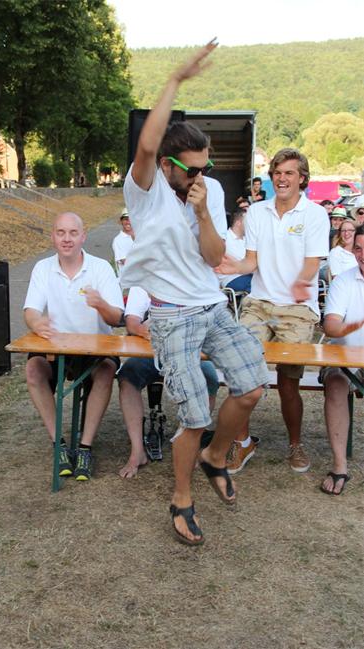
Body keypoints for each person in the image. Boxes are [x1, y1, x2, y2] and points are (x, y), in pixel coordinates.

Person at [120, 40, 269, 546]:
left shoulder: (208, 191)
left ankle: (215, 456)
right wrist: (175, 80)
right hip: (171, 317)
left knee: (251, 386)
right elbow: (145, 146)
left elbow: (213, 257)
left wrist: (204, 212)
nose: (201, 176)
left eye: (207, 167)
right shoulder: (145, 191)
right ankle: (181, 499)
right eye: (192, 169)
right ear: (168, 165)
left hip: (211, 307)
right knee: (195, 414)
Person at [218, 148, 330, 474]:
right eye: (277, 173)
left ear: (302, 179)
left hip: (298, 309)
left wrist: (303, 282)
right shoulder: (256, 212)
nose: (282, 179)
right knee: (242, 371)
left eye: (289, 173)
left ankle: (295, 444)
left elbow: (312, 263)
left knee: (288, 381)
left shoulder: (315, 214)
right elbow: (251, 262)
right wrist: (234, 266)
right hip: (259, 303)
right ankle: (242, 442)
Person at [24, 212, 124, 480]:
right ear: (53, 236)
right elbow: (30, 310)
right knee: (33, 369)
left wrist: (101, 304)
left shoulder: (101, 268)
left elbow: (117, 317)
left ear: (83, 236)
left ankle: (85, 447)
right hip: (57, 348)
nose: (66, 239)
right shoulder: (43, 268)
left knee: (106, 370)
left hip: (96, 348)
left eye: (72, 233)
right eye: (61, 232)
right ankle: (58, 444)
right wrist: (36, 323)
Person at [117, 286, 220, 478]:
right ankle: (137, 451)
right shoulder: (145, 279)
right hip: (152, 350)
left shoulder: (196, 280)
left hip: (190, 351)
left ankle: (187, 444)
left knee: (209, 379)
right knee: (128, 376)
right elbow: (132, 322)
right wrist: (142, 330)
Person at [320, 225, 364, 495]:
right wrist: (346, 327)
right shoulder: (343, 281)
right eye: (358, 249)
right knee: (335, 383)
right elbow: (331, 325)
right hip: (345, 357)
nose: (363, 255)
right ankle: (339, 466)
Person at [215, 208, 252, 293]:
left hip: (248, 275)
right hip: (231, 278)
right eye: (248, 221)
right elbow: (246, 261)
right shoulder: (226, 239)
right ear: (238, 223)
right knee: (260, 286)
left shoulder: (247, 239)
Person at [112, 208, 134, 280]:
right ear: (121, 221)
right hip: (128, 282)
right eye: (126, 219)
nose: (128, 222)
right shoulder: (118, 240)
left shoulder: (140, 236)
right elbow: (126, 262)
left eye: (131, 219)